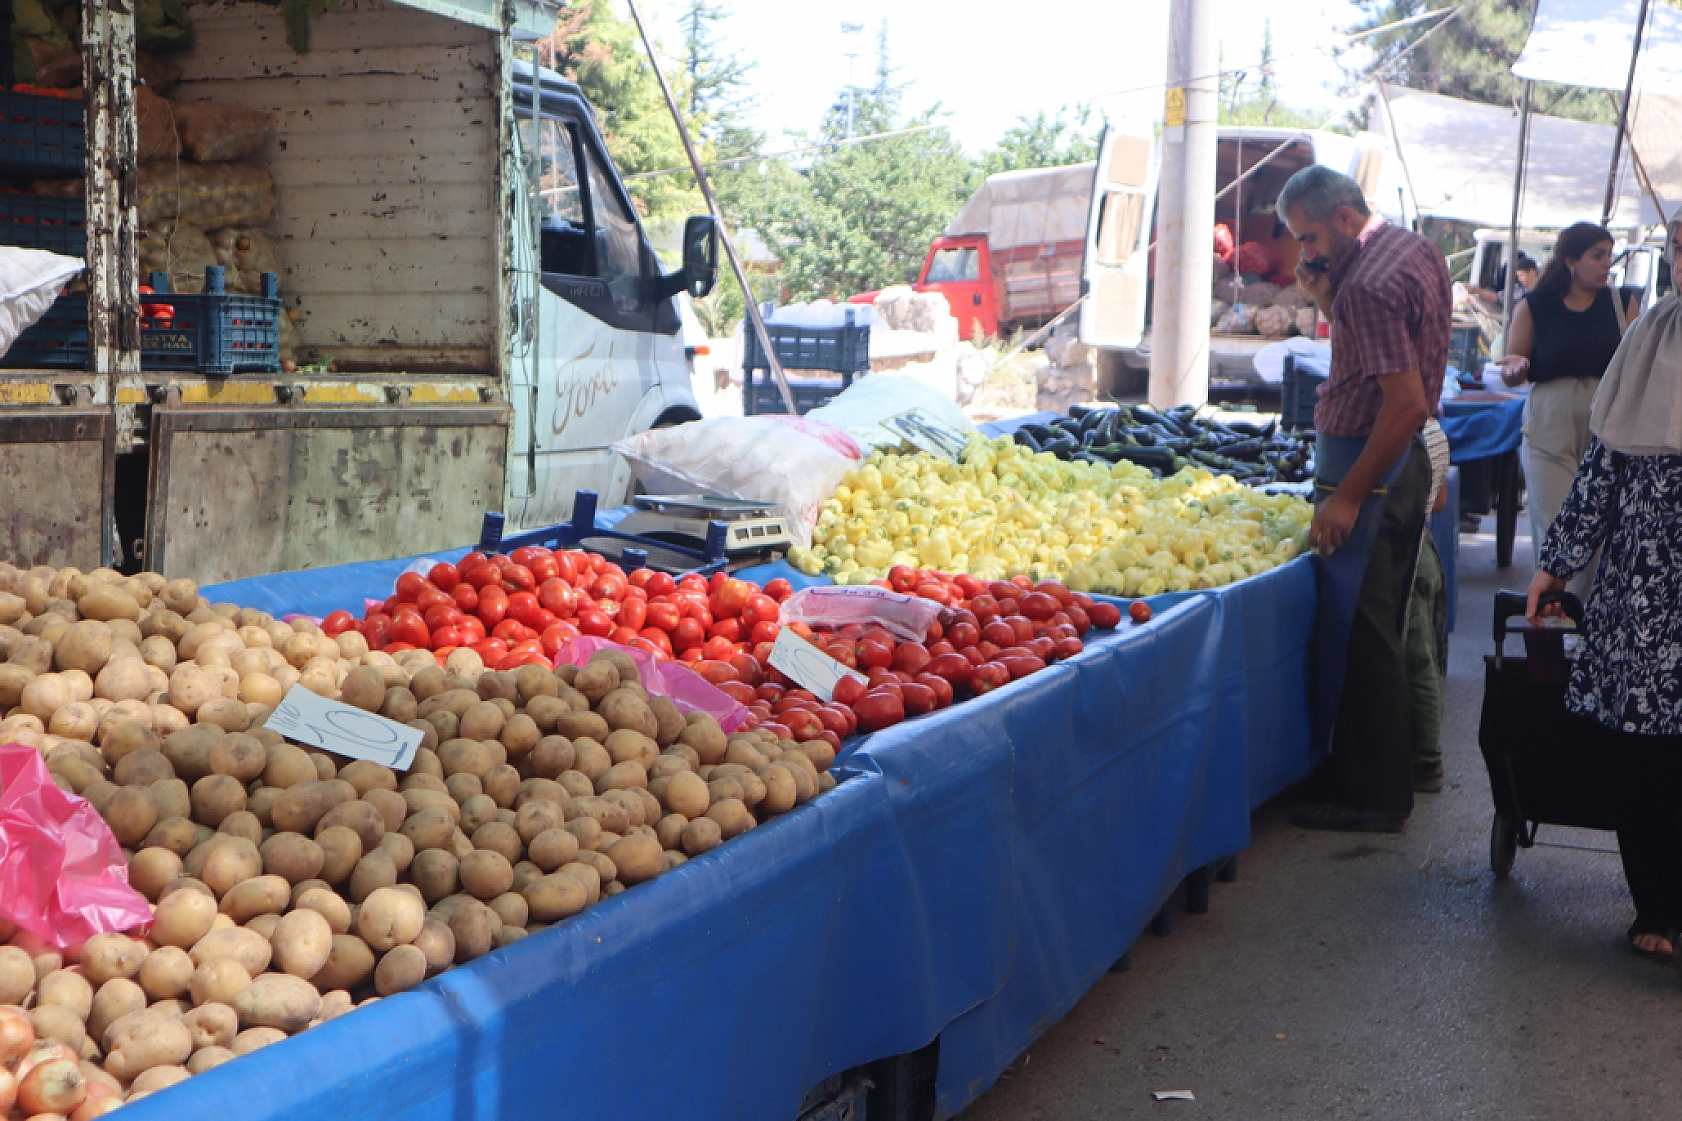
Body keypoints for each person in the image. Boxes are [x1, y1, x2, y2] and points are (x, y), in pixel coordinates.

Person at [1526, 221, 1682, 958]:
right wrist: (1557, 563)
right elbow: (1602, 470)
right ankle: (1656, 904)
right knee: (1642, 751)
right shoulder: (1647, 338)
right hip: (1644, 589)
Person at [1279, 166, 1451, 833]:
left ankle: (1374, 797)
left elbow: (1403, 403)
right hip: (1401, 461)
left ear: (1344, 219)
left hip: (1372, 464)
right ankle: (1375, 772)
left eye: (1309, 237)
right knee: (1381, 623)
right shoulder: (1411, 248)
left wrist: (1348, 496)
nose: (1304, 252)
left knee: (1363, 631)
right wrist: (1325, 296)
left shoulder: (1368, 286)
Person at [1495, 223, 1640, 599]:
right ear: (1571, 261)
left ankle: (1586, 617)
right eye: (1597, 255)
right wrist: (1515, 369)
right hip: (1550, 416)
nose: (1606, 263)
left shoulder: (1622, 302)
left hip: (1608, 417)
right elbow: (1513, 367)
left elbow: (1640, 364)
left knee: (1601, 526)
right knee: (1555, 523)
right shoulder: (1535, 305)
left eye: (1609, 255)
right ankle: (1556, 617)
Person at [1407, 419, 1452, 793]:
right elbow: (1440, 501)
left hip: (1409, 555)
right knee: (1428, 658)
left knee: (1417, 660)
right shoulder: (1436, 432)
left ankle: (1426, 760)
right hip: (1426, 549)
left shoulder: (1407, 435)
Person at [1469, 253, 1538, 307]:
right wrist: (1475, 290)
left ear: (1532, 272)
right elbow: (1495, 297)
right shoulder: (1518, 288)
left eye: (1522, 275)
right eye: (1518, 276)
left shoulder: (1543, 289)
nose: (1519, 279)